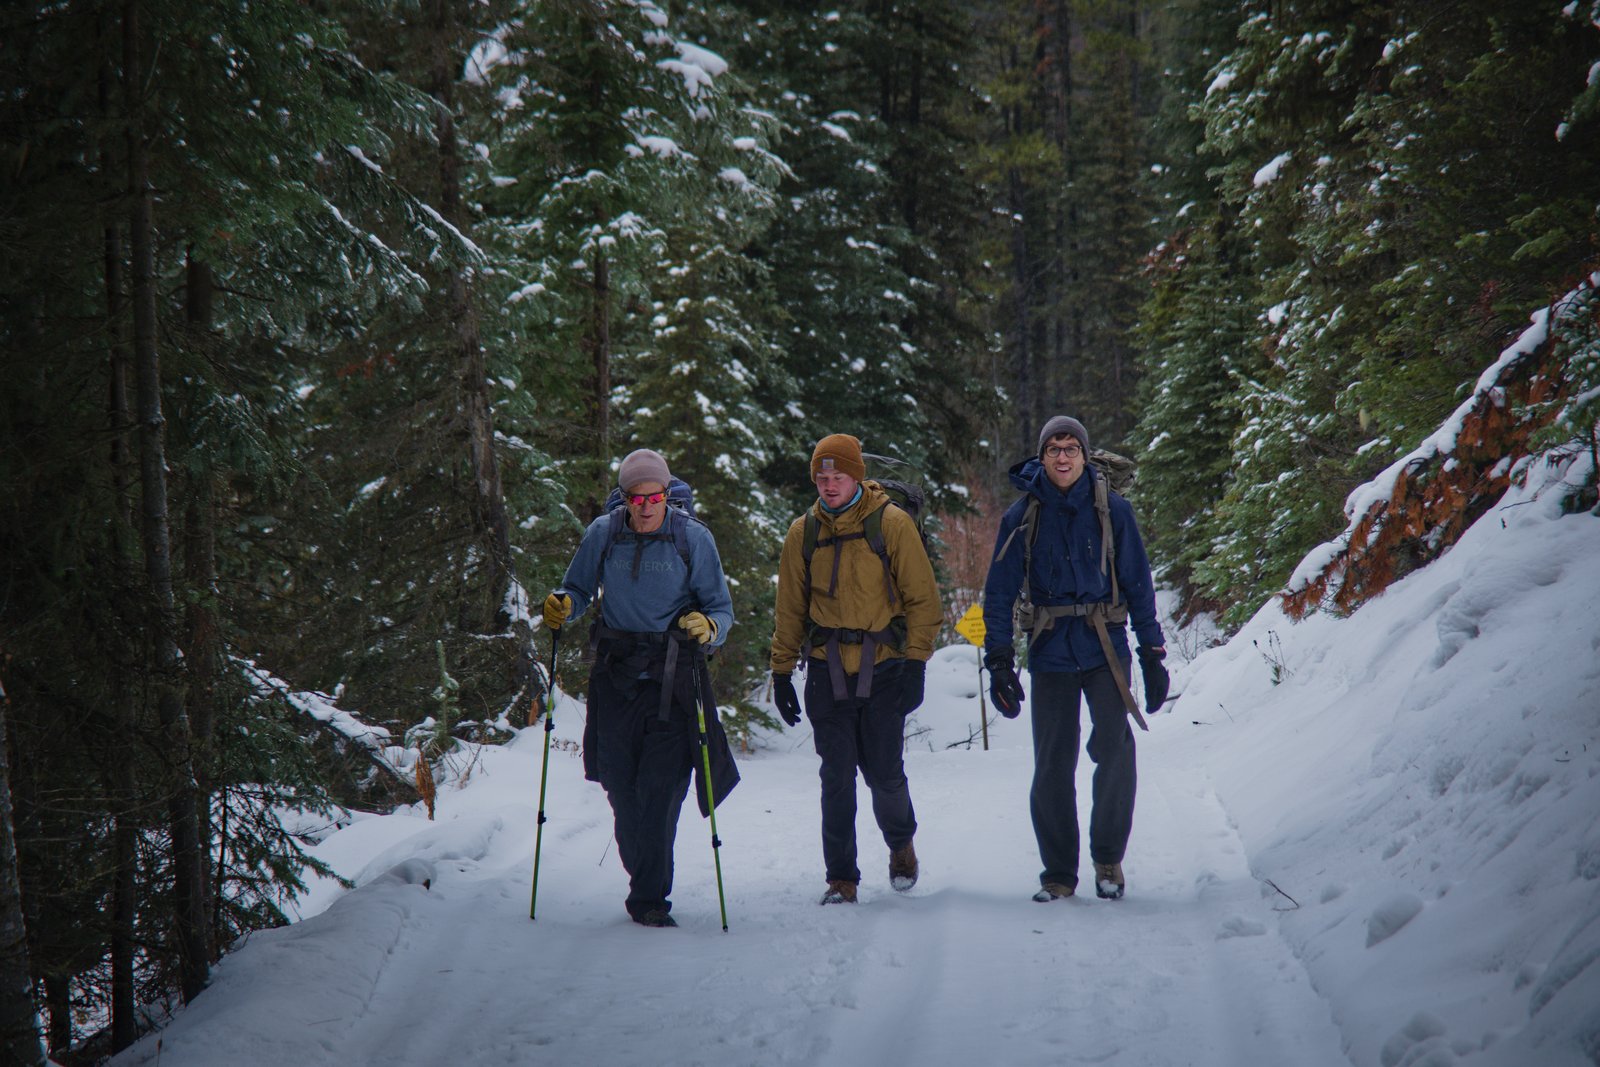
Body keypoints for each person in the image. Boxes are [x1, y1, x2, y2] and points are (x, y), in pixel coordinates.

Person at [542, 448, 737, 928]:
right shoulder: (604, 534)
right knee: (620, 787)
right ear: (625, 498)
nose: (647, 506)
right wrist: (565, 604)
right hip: (614, 678)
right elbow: (578, 589)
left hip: (672, 683)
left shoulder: (693, 538)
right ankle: (643, 873)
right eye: (637, 497)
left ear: (666, 495)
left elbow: (722, 608)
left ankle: (649, 897)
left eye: (655, 497)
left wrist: (709, 628)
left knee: (660, 791)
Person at [981, 416, 1169, 902]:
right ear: (1041, 457)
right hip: (1049, 651)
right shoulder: (1022, 515)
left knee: (1115, 750)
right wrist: (998, 659)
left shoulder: (1114, 511)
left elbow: (1138, 584)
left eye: (1070, 449)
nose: (1062, 457)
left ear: (1085, 456)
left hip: (1106, 645)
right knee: (1052, 764)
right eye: (1053, 449)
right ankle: (1059, 874)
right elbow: (998, 594)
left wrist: (1152, 652)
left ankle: (1108, 859)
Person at [770, 433, 942, 905]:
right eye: (822, 477)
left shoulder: (892, 524)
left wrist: (917, 664)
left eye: (838, 476)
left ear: (857, 477)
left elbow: (923, 599)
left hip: (884, 667)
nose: (829, 485)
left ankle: (900, 844)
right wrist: (782, 671)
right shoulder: (802, 532)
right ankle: (841, 879)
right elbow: (789, 610)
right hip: (827, 669)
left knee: (885, 773)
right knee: (836, 775)